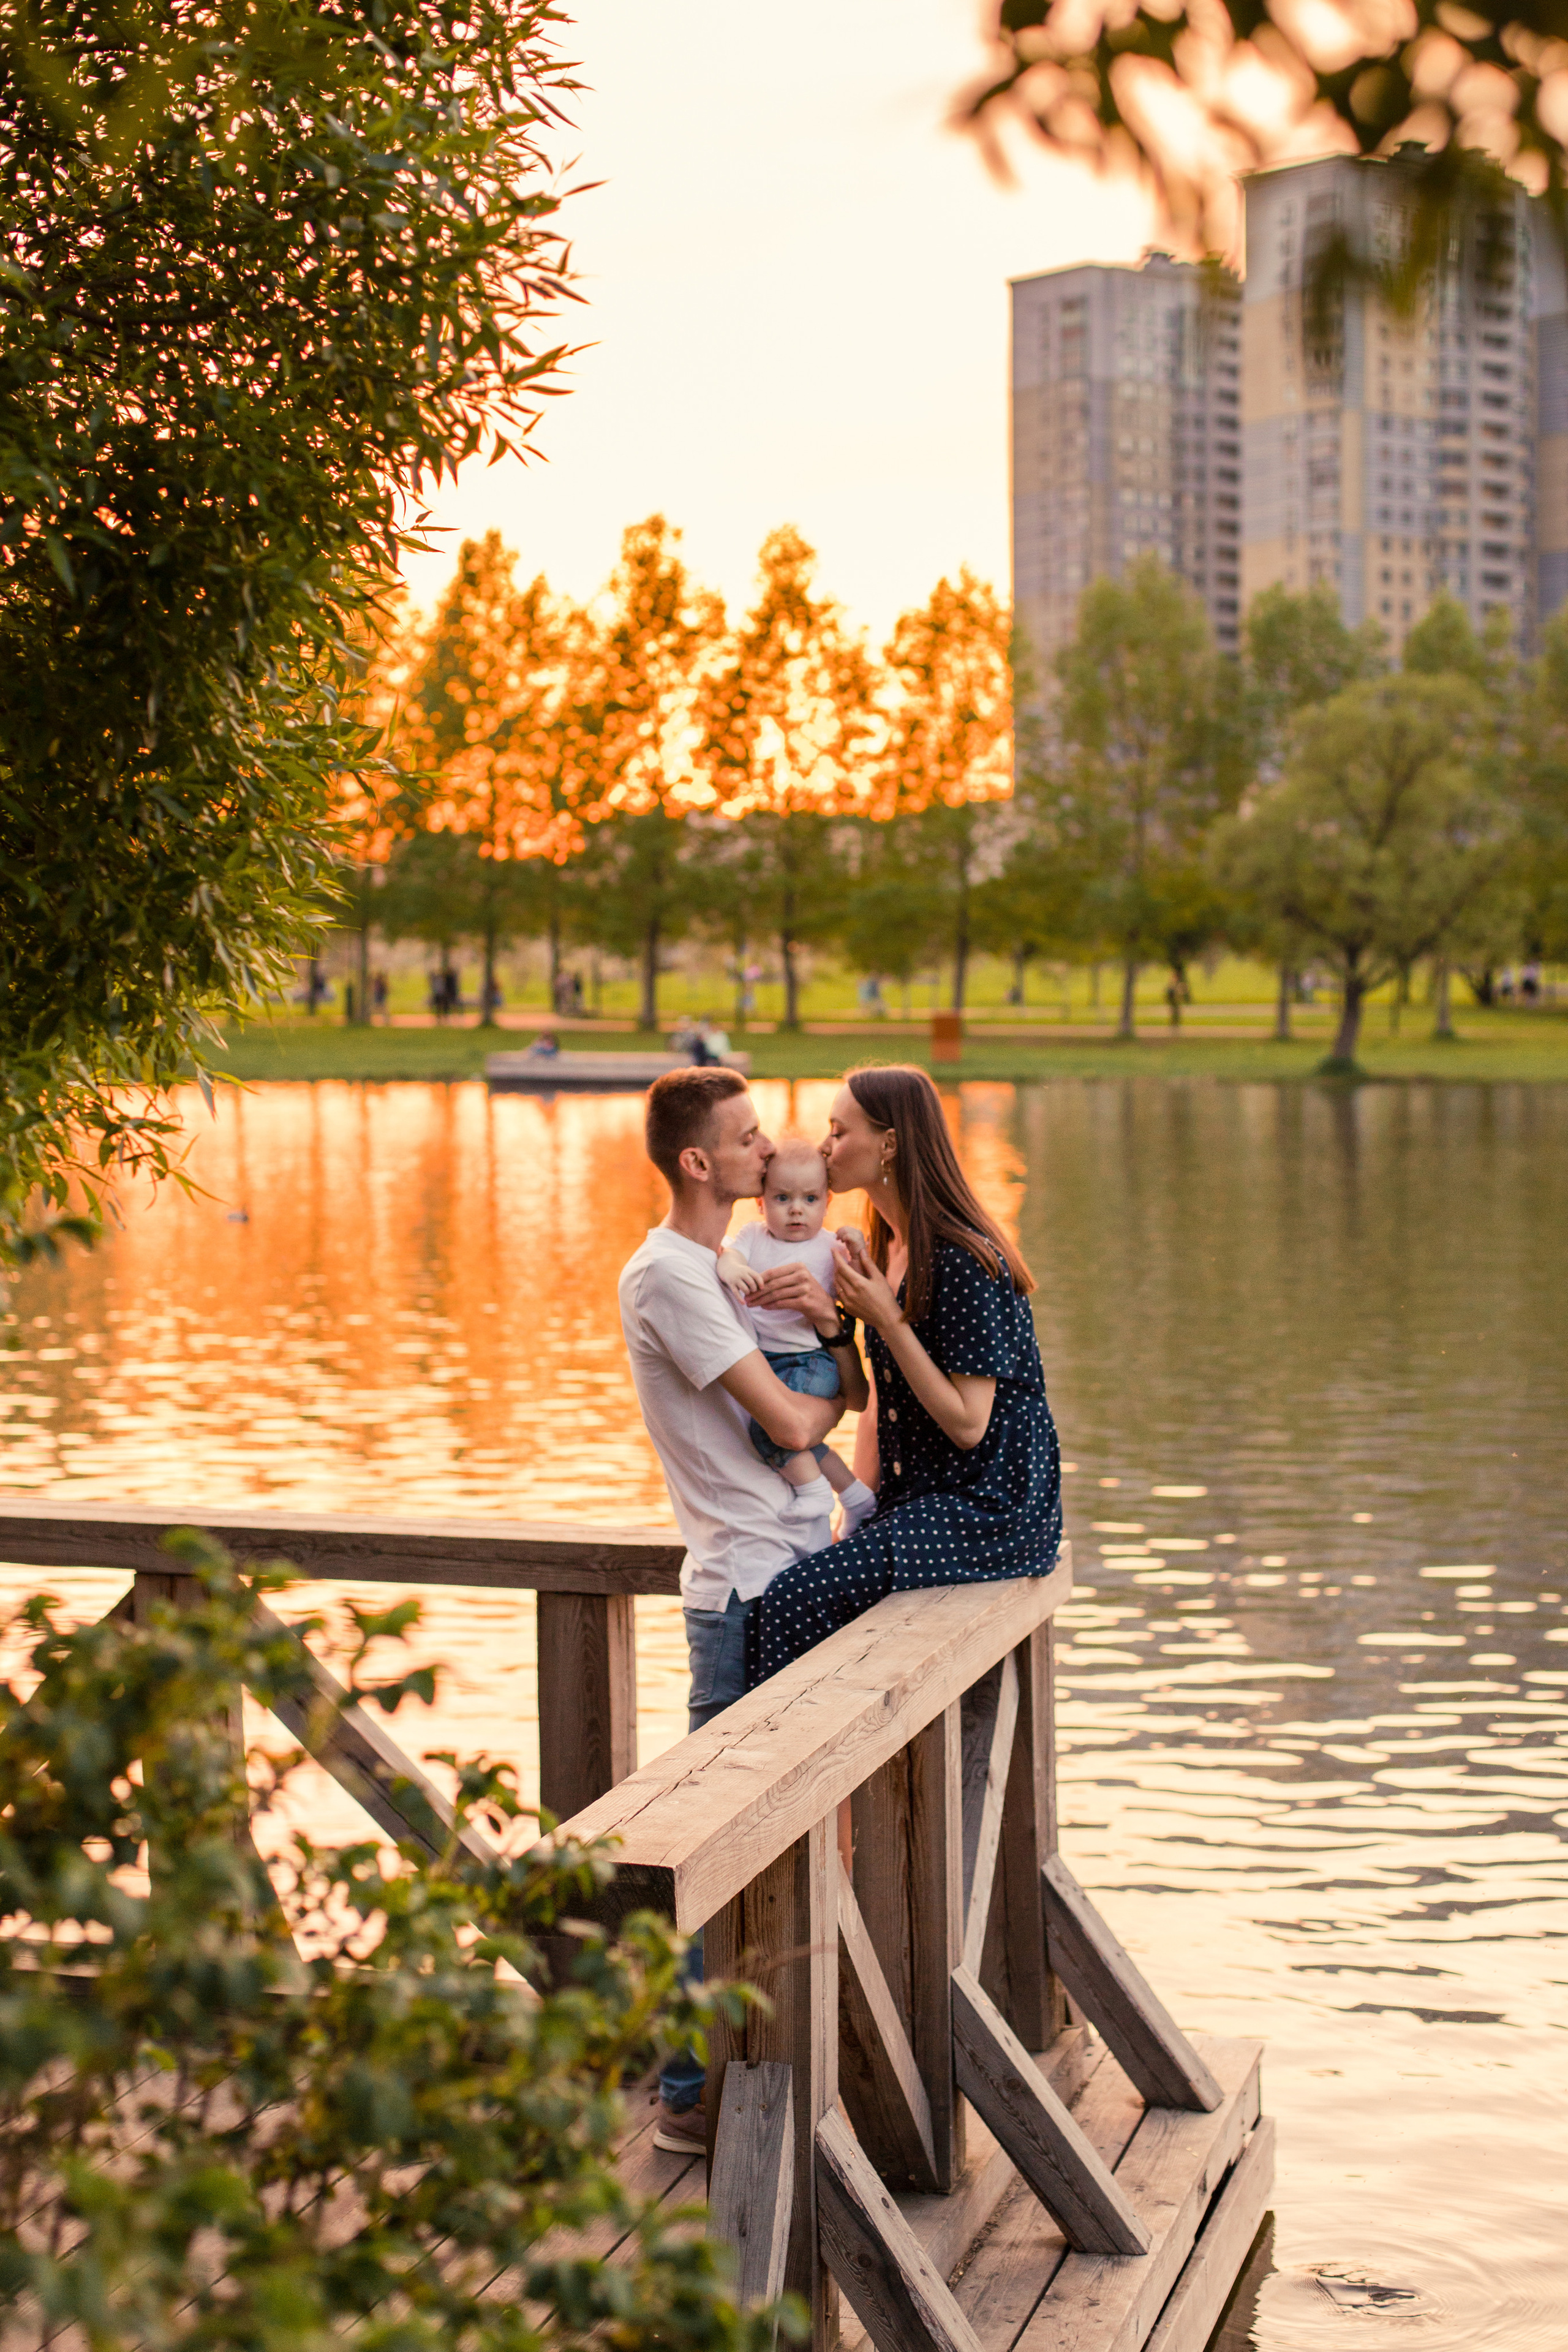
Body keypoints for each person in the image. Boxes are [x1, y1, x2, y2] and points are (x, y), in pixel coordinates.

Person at [618, 1068, 863, 2152]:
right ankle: (686, 2095)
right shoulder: (668, 1276)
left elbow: (826, 1400)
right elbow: (795, 1421)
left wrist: (841, 1351)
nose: (773, 1153)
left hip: (791, 1565)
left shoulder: (728, 1265)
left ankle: (786, 2068)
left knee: (780, 1838)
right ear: (698, 1163)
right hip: (742, 1587)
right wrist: (832, 1394)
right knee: (706, 1846)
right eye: (749, 1137)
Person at [744, 1063, 1061, 1689]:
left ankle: (780, 1775)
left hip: (992, 1511)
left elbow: (970, 1426)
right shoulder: (883, 1244)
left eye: (840, 1131)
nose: (826, 1146)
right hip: (913, 1499)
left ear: (887, 1143)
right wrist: (855, 1511)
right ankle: (831, 1780)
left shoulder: (964, 1259)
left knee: (793, 1599)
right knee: (803, 1581)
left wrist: (887, 1320)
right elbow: (879, 1400)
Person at [717, 1137, 877, 1532]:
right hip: (766, 1361)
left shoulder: (829, 1248)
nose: (795, 1210)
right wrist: (732, 1269)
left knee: (772, 1428)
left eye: (810, 1199)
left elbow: (864, 1292)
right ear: (760, 1202)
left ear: (826, 1203)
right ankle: (856, 1497)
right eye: (782, 1198)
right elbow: (731, 1257)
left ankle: (815, 1493)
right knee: (802, 1440)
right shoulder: (754, 1237)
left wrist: (857, 1249)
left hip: (811, 1361)